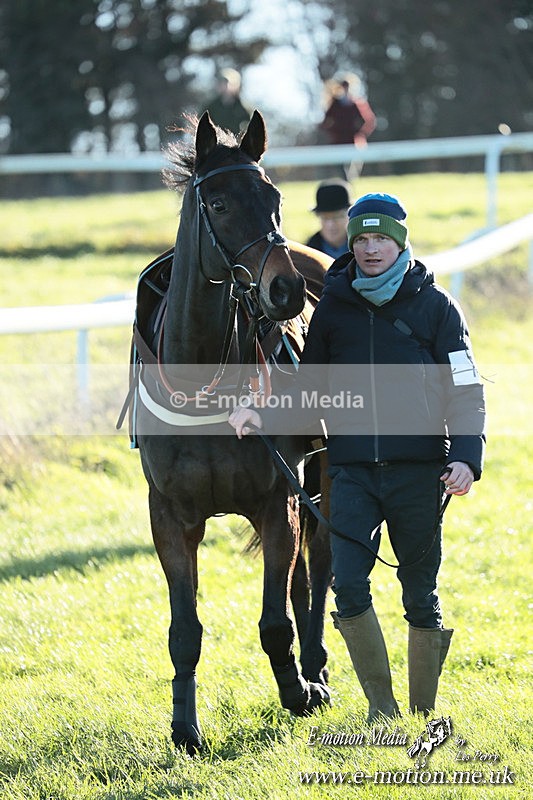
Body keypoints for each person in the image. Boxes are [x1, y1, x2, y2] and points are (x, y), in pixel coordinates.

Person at [229, 192, 486, 724]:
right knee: (346, 586)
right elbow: (310, 388)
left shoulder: (436, 308)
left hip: (420, 473)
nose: (370, 249)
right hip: (349, 474)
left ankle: (421, 713)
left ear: (399, 242)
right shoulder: (333, 310)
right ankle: (382, 711)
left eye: (381, 238)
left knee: (420, 593)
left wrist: (466, 458)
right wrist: (262, 413)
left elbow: (466, 389)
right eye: (362, 238)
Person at [319, 74, 376, 180]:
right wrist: (333, 131)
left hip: (353, 142)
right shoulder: (335, 104)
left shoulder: (356, 104)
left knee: (352, 168)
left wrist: (360, 133)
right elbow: (325, 122)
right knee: (340, 167)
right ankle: (346, 184)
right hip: (338, 142)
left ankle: (349, 184)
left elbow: (369, 121)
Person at [306, 180, 353, 259]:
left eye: (337, 217)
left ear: (349, 215)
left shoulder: (364, 248)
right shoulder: (308, 253)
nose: (331, 224)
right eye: (325, 218)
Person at [202, 68, 251, 135]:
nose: (223, 85)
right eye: (220, 82)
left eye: (226, 82)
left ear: (235, 85)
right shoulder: (211, 108)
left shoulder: (244, 110)